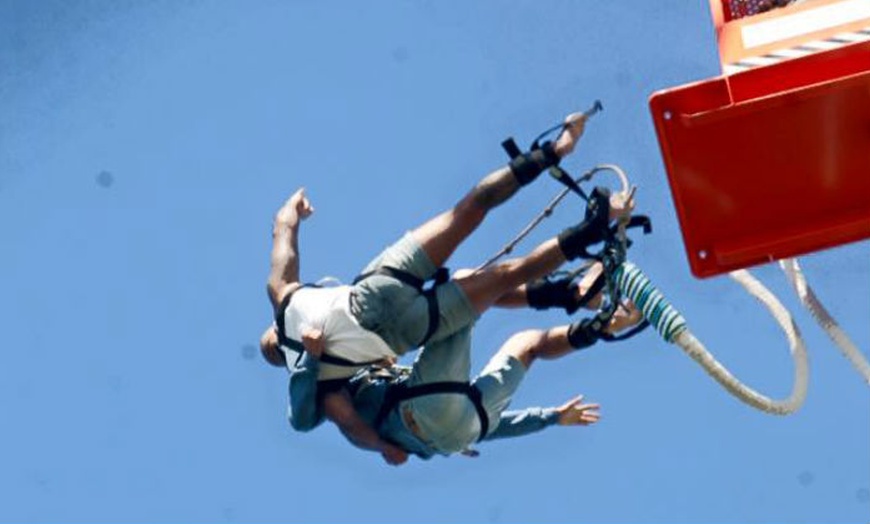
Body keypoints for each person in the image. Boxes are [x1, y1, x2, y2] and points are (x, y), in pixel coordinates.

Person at [261, 110, 640, 452]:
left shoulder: (330, 380)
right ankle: (553, 151)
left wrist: (551, 418)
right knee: (468, 212)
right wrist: (292, 208)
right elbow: (283, 233)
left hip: (432, 386)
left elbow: (331, 420)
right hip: (378, 302)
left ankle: (585, 258)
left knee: (506, 287)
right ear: (275, 335)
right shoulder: (285, 301)